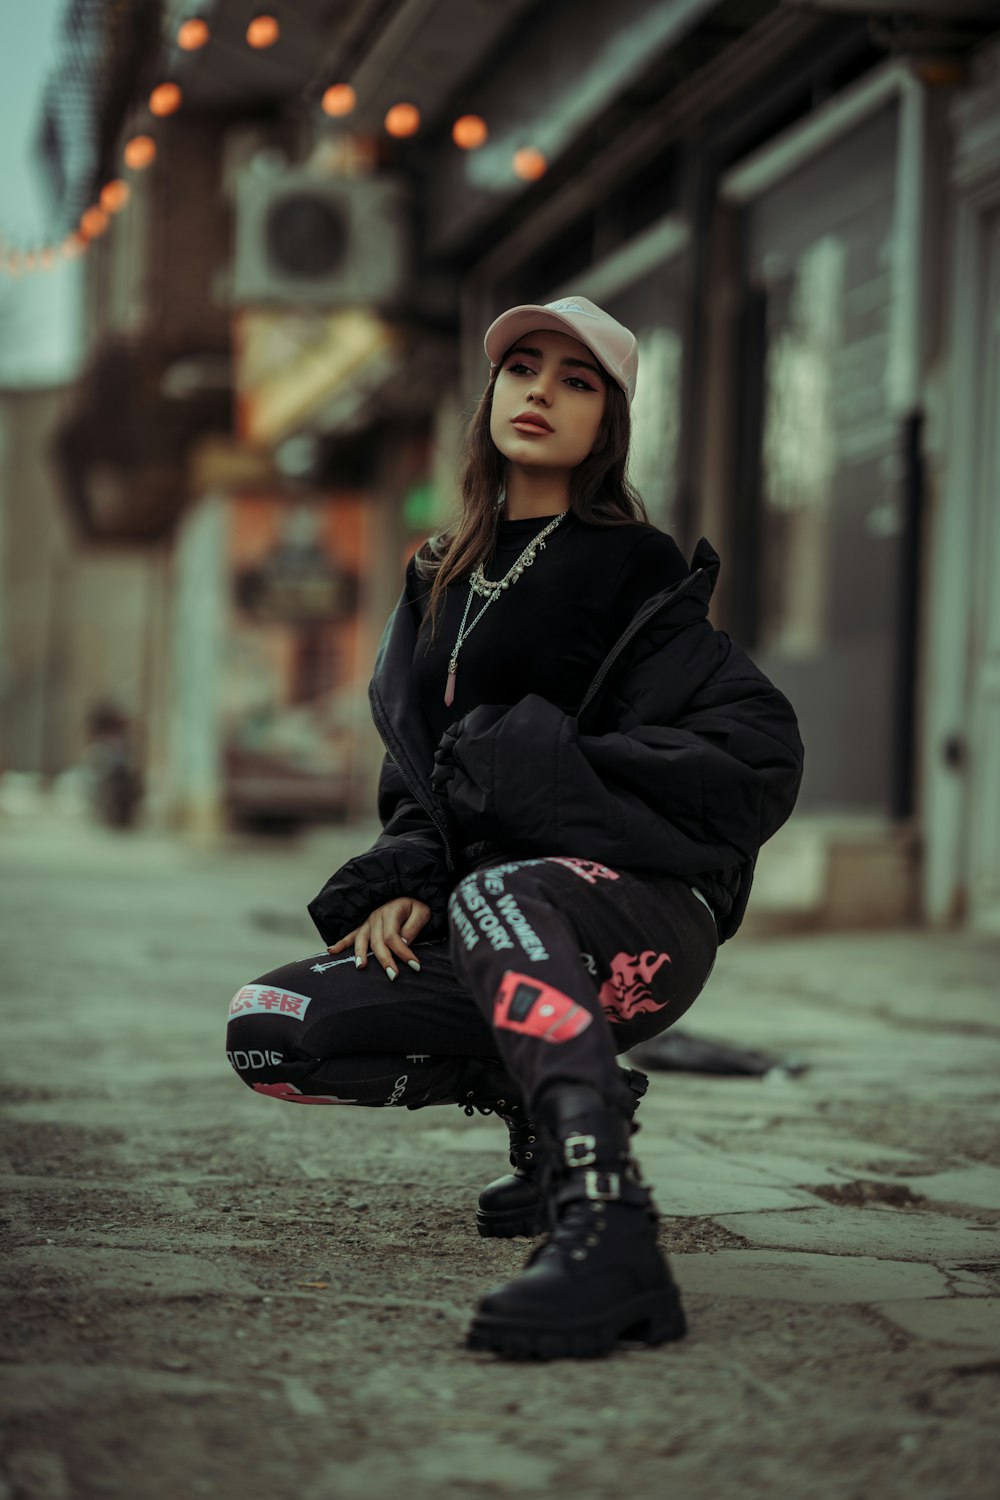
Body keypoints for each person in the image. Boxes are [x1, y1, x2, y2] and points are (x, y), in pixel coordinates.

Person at [226, 295, 804, 1360]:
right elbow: (424, 783)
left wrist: (535, 774)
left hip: (634, 928)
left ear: (607, 425)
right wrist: (406, 870)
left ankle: (607, 1225)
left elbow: (757, 757)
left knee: (503, 890)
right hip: (493, 928)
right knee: (269, 1027)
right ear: (488, 392)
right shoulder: (439, 573)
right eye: (523, 368)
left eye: (575, 380)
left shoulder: (636, 572)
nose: (539, 391)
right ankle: (545, 1105)